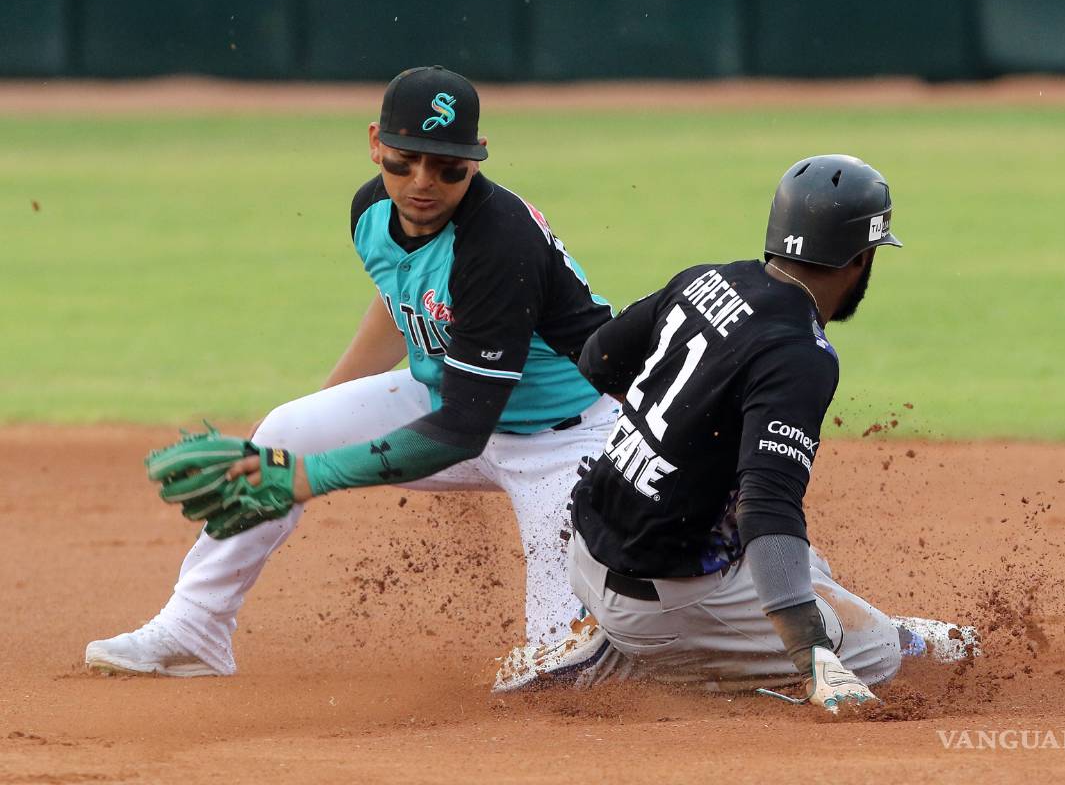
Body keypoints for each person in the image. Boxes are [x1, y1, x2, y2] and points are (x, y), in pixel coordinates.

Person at [85, 66, 618, 677]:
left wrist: (309, 475)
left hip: (570, 439)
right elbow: (403, 304)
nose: (422, 181)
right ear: (375, 144)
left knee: (556, 673)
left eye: (448, 166)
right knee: (285, 430)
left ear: (479, 159)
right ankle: (193, 629)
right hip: (446, 397)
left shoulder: (499, 243)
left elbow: (462, 430)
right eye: (404, 160)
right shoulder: (371, 211)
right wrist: (321, 420)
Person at [494, 155, 976, 709]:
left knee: (803, 565)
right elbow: (767, 507)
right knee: (875, 651)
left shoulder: (706, 278)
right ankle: (626, 661)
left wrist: (675, 435)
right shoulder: (801, 353)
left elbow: (597, 357)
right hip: (661, 604)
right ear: (860, 259)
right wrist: (815, 656)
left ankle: (631, 636)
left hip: (587, 543)